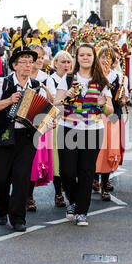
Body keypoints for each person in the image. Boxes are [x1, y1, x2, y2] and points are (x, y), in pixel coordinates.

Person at [0, 46, 54, 232]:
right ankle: (2, 209)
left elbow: (43, 117)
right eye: (24, 62)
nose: (28, 66)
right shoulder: (4, 83)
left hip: (27, 138)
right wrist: (8, 101)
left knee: (22, 178)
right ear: (14, 65)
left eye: (31, 62)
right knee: (2, 178)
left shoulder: (37, 87)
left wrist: (48, 124)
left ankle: (18, 218)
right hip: (5, 135)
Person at [54, 44, 114, 226]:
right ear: (77, 58)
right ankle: (72, 201)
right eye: (82, 55)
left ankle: (81, 211)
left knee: (86, 171)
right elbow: (56, 105)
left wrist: (102, 104)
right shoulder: (68, 78)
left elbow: (110, 110)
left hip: (93, 130)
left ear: (93, 58)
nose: (85, 58)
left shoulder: (101, 81)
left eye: (89, 55)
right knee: (67, 171)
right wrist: (67, 97)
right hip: (68, 128)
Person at [93, 47, 126, 200]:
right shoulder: (91, 75)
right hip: (92, 116)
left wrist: (123, 100)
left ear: (113, 61)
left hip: (113, 116)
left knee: (108, 151)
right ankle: (93, 179)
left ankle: (104, 184)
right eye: (102, 57)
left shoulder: (119, 77)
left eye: (109, 58)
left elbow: (125, 97)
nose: (105, 60)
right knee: (93, 149)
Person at [26, 43, 52, 212]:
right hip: (21, 124)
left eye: (42, 57)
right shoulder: (21, 75)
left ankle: (29, 195)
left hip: (39, 123)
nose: (40, 60)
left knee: (35, 163)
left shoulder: (45, 78)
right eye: (37, 57)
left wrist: (43, 87)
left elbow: (53, 101)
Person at [46, 50, 73, 207]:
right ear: (55, 64)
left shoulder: (74, 79)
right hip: (57, 121)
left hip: (73, 121)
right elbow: (52, 101)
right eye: (63, 62)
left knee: (70, 160)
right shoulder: (52, 80)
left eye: (68, 62)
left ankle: (69, 190)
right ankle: (58, 193)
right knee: (57, 160)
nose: (66, 65)